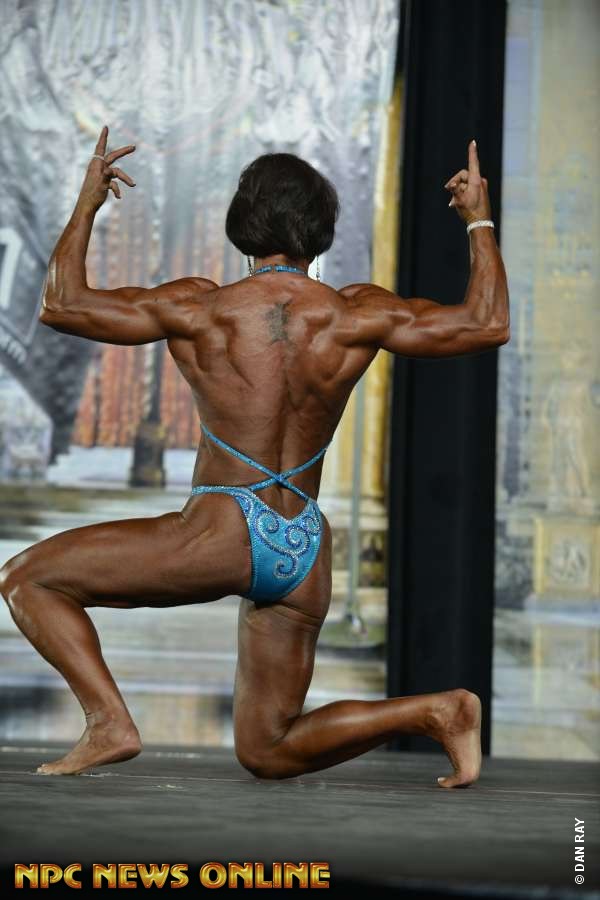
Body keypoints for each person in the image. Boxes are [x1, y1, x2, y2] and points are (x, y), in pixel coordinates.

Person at [0, 127, 509, 787]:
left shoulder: (201, 307)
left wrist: (88, 204)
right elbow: (486, 323)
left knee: (27, 579)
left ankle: (108, 721)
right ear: (318, 231)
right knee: (268, 748)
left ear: (243, 224)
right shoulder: (355, 313)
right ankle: (439, 711)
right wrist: (478, 222)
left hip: (218, 534)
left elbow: (62, 305)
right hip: (303, 546)